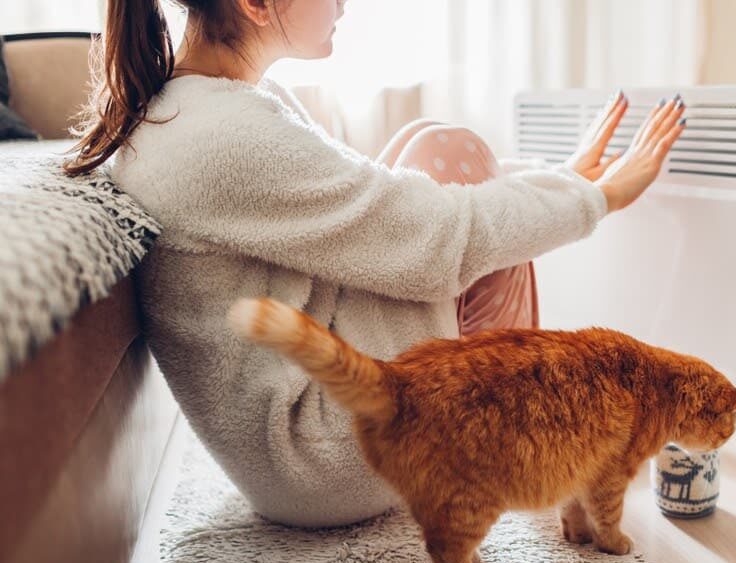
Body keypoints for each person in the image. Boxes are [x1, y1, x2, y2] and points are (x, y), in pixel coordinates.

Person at [66, 0, 685, 527]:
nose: (343, 4)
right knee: (451, 160)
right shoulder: (221, 136)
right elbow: (441, 240)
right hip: (325, 455)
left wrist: (564, 182)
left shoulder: (207, 107)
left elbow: (382, 207)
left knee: (426, 157)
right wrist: (596, 197)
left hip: (301, 436)